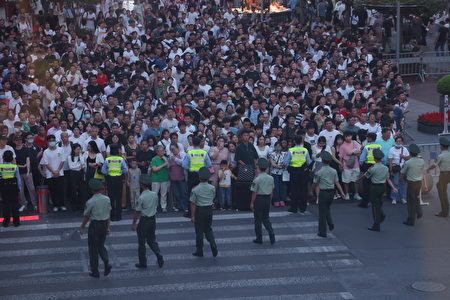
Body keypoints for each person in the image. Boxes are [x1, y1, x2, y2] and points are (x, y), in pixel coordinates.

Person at [79, 179, 112, 278]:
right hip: (104, 224)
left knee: (93, 249)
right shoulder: (107, 199)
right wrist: (108, 227)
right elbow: (108, 213)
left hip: (95, 225)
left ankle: (95, 271)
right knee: (101, 245)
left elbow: (86, 216)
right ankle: (106, 262)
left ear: (92, 190)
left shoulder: (90, 202)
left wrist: (82, 227)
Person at [132, 174, 164, 269]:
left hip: (144, 221)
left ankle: (143, 262)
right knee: (151, 240)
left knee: (141, 243)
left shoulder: (141, 198)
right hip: (152, 220)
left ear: (141, 185)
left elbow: (137, 212)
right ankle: (158, 254)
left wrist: (134, 223)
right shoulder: (154, 194)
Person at [364, 149, 397, 232]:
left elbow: (367, 176)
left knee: (375, 206)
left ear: (374, 158)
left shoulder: (372, 168)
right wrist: (393, 188)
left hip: (374, 187)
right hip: (382, 187)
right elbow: (388, 179)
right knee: (378, 203)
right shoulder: (385, 168)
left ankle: (376, 224)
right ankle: (381, 215)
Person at [314, 151, 345, 237]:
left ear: (322, 160)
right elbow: (337, 182)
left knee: (322, 213)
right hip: (332, 192)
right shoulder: (334, 171)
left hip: (323, 193)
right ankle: (330, 223)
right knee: (327, 208)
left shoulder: (319, 171)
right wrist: (342, 192)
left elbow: (316, 183)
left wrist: (314, 193)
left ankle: (322, 232)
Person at [190, 167, 218, 258]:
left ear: (199, 177)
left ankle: (200, 250)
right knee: (208, 229)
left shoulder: (195, 189)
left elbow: (193, 204)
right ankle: (213, 244)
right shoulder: (212, 188)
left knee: (199, 231)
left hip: (200, 210)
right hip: (209, 210)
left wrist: (193, 216)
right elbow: (213, 197)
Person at [182, 136, 212, 218]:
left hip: (192, 175)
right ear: (200, 143)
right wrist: (202, 168)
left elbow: (184, 165)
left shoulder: (189, 152)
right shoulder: (204, 152)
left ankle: (190, 213)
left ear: (192, 143)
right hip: (201, 175)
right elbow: (209, 164)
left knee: (191, 193)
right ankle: (201, 211)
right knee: (201, 192)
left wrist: (190, 168)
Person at [250, 158, 276, 245]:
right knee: (266, 218)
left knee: (258, 220)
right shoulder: (271, 178)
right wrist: (270, 201)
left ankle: (259, 238)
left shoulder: (257, 179)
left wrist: (252, 203)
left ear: (258, 168)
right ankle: (271, 233)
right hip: (267, 199)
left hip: (259, 200)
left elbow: (254, 192)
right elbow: (272, 191)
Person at [284, 135, 312, 214]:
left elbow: (285, 162)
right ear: (301, 141)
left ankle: (294, 207)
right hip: (303, 172)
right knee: (303, 190)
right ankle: (303, 207)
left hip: (294, 172)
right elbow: (309, 162)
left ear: (294, 142)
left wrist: (289, 166)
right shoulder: (305, 150)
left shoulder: (291, 150)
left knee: (294, 190)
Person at [40, 135, 67, 212]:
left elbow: (63, 161)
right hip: (50, 174)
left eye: (53, 140)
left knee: (61, 190)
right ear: (48, 142)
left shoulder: (61, 149)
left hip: (60, 173)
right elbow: (46, 163)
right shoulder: (46, 151)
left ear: (55, 141)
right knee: (53, 191)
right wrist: (53, 171)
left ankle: (62, 205)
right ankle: (55, 205)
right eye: (50, 141)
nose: (52, 142)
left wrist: (57, 171)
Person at [101, 145, 128, 221]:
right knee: (119, 198)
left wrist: (108, 173)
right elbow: (125, 170)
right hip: (118, 179)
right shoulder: (120, 159)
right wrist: (120, 172)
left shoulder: (107, 159)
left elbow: (103, 171)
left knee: (111, 198)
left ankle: (112, 217)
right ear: (117, 151)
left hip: (110, 180)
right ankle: (119, 217)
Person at [400, 144, 425, 226]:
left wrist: (398, 181)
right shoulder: (422, 161)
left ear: (410, 153)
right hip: (419, 182)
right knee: (416, 197)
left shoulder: (408, 162)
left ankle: (411, 220)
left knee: (410, 202)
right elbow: (423, 172)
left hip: (411, 183)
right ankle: (419, 211)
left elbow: (403, 173)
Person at [426, 137, 450, 217]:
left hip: (444, 175)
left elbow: (434, 165)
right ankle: (446, 205)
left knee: (442, 193)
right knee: (438, 185)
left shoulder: (441, 156)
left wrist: (428, 169)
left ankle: (444, 212)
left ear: (441, 146)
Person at [358, 132, 382, 208]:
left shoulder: (366, 147)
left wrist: (362, 165)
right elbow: (383, 157)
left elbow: (361, 159)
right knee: (376, 184)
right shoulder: (379, 146)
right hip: (377, 165)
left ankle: (365, 203)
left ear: (370, 138)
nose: (367, 138)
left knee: (367, 185)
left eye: (368, 137)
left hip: (368, 166)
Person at [0, 150, 21, 227]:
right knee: (15, 204)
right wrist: (19, 188)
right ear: (12, 158)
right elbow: (18, 178)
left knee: (5, 204)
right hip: (13, 187)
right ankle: (16, 222)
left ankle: (6, 222)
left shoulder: (0, 167)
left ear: (3, 158)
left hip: (4, 187)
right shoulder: (14, 167)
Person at [388, 136, 409, 205]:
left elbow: (408, 158)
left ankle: (403, 198)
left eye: (400, 141)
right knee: (395, 182)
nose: (398, 142)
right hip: (395, 168)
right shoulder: (391, 149)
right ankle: (394, 198)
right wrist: (390, 170)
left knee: (402, 183)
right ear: (395, 142)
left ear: (402, 142)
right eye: (397, 141)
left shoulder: (405, 149)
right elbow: (390, 160)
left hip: (403, 168)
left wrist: (403, 156)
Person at [150, 145, 170, 212]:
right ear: (157, 152)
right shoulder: (154, 159)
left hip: (164, 178)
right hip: (156, 178)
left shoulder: (165, 158)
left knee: (164, 194)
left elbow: (168, 167)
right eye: (161, 151)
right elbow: (154, 169)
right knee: (154, 194)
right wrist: (164, 164)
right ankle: (154, 207)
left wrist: (165, 160)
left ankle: (163, 207)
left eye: (163, 151)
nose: (162, 152)